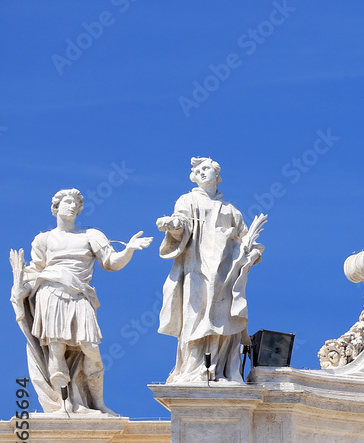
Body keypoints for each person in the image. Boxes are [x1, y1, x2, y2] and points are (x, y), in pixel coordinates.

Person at [9, 189, 150, 414]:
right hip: (50, 293)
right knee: (56, 348)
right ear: (55, 207)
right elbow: (35, 272)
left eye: (76, 203)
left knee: (90, 347)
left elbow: (111, 262)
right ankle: (64, 402)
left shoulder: (91, 235)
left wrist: (129, 250)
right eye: (67, 202)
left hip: (80, 295)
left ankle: (99, 404)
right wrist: (21, 291)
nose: (72, 206)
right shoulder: (43, 239)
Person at [157, 157, 265, 383]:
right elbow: (181, 224)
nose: (203, 173)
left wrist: (253, 252)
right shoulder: (188, 200)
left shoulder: (230, 210)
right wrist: (172, 225)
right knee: (196, 315)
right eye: (199, 170)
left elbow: (246, 239)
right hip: (197, 268)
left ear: (217, 176)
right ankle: (194, 368)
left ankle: (220, 368)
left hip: (226, 272)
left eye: (207, 169)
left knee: (224, 317)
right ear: (194, 176)